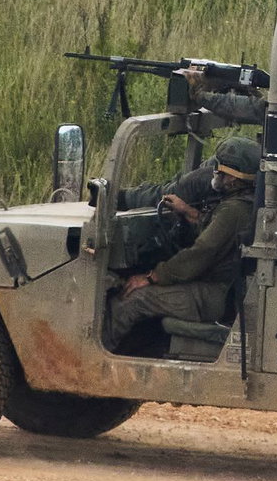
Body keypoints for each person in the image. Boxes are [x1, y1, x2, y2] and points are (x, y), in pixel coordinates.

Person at [103, 135, 259, 352]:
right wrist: (188, 212)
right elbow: (218, 234)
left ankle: (90, 362)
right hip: (224, 289)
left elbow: (201, 253)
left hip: (215, 294)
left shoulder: (233, 210)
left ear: (234, 178)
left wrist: (152, 276)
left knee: (130, 300)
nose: (215, 173)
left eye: (220, 169)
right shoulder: (244, 204)